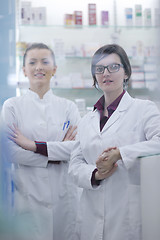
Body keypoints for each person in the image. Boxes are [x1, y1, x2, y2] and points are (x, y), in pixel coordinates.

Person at [68, 44, 160, 240]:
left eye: (114, 67)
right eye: (99, 69)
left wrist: (120, 154)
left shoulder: (144, 109)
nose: (106, 73)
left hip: (128, 214)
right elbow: (74, 166)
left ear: (126, 72)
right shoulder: (86, 121)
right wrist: (96, 173)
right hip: (91, 215)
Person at [1, 43, 81, 240]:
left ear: (54, 69)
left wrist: (31, 145)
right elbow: (10, 152)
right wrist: (54, 156)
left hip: (64, 195)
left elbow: (76, 148)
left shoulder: (68, 107)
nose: (39, 67)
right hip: (28, 194)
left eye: (45, 62)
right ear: (24, 70)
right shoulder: (12, 106)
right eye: (33, 62)